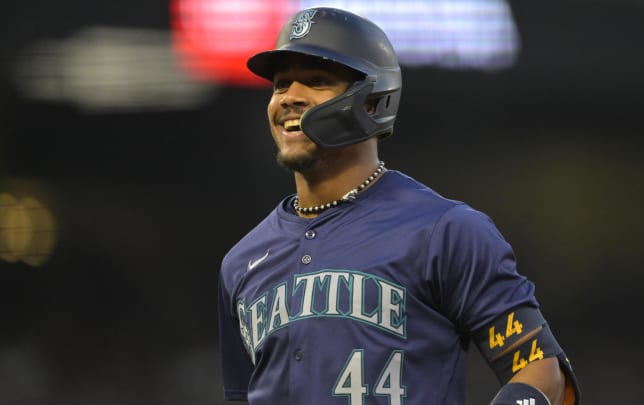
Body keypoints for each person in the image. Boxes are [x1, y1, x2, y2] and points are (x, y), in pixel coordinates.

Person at [218, 7, 580, 405]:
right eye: (281, 84)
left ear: (372, 101)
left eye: (318, 81)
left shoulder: (443, 231)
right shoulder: (242, 262)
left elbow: (543, 372)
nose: (290, 98)